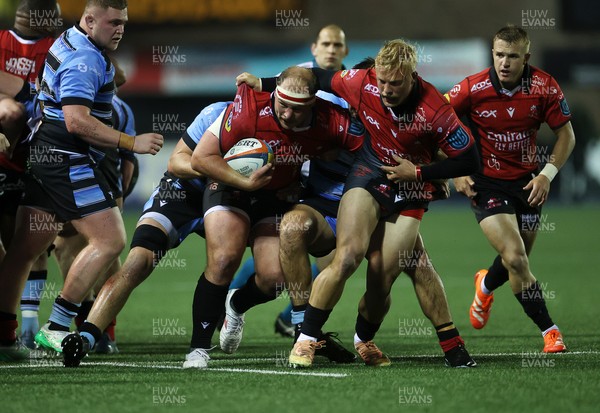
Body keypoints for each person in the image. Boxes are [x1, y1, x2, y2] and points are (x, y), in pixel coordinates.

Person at [238, 38, 480, 368]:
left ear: (412, 76)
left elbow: (469, 160)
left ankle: (365, 338)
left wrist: (423, 173)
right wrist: (265, 83)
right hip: (368, 176)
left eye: (394, 83)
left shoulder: (435, 109)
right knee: (348, 256)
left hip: (409, 189)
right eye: (381, 81)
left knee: (384, 278)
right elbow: (319, 78)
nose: (385, 89)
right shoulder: (360, 84)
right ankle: (305, 338)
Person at [0, 0, 163, 360]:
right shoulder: (86, 58)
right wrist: (131, 142)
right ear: (89, 20)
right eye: (113, 23)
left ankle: (3, 335)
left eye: (123, 23)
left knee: (26, 246)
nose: (120, 29)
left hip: (43, 153)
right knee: (110, 240)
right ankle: (56, 327)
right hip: (65, 158)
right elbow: (77, 121)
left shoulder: (68, 40)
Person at [185, 67, 363, 368]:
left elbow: (373, 148)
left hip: (274, 196)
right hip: (230, 188)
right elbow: (201, 158)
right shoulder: (247, 110)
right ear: (274, 95)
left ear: (313, 104)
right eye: (283, 105)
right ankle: (198, 349)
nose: (289, 115)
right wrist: (245, 182)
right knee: (225, 260)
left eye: (298, 109)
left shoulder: (330, 120)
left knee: (275, 280)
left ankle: (237, 303)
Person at [61, 101, 228, 367]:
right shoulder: (218, 113)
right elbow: (176, 162)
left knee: (237, 261)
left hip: (231, 197)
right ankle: (86, 338)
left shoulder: (272, 128)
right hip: (182, 193)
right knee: (138, 262)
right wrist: (220, 170)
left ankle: (242, 308)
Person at [446, 26, 574, 353]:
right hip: (486, 183)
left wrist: (546, 175)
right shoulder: (472, 88)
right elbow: (436, 122)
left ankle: (485, 285)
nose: (504, 62)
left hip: (528, 185)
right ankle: (550, 331)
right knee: (516, 258)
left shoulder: (544, 86)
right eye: (499, 54)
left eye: (512, 56)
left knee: (516, 261)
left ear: (526, 58)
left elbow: (566, 136)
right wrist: (454, 171)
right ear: (493, 54)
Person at [230, 23, 350, 339]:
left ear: (345, 51)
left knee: (328, 263)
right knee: (281, 249)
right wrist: (263, 82)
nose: (331, 51)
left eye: (337, 46)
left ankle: (293, 320)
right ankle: (231, 296)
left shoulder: (348, 83)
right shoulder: (299, 79)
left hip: (326, 182)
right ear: (314, 48)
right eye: (326, 44)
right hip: (299, 177)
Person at [50, 56, 138, 354]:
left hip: (103, 184)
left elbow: (128, 162)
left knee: (108, 255)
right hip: (69, 179)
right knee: (65, 248)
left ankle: (102, 330)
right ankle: (77, 324)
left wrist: (121, 194)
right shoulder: (67, 104)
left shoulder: (119, 109)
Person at [0, 0, 58, 352]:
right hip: (4, 159)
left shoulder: (60, 47)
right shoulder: (3, 41)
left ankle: (28, 322)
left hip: (34, 161)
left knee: (28, 241)